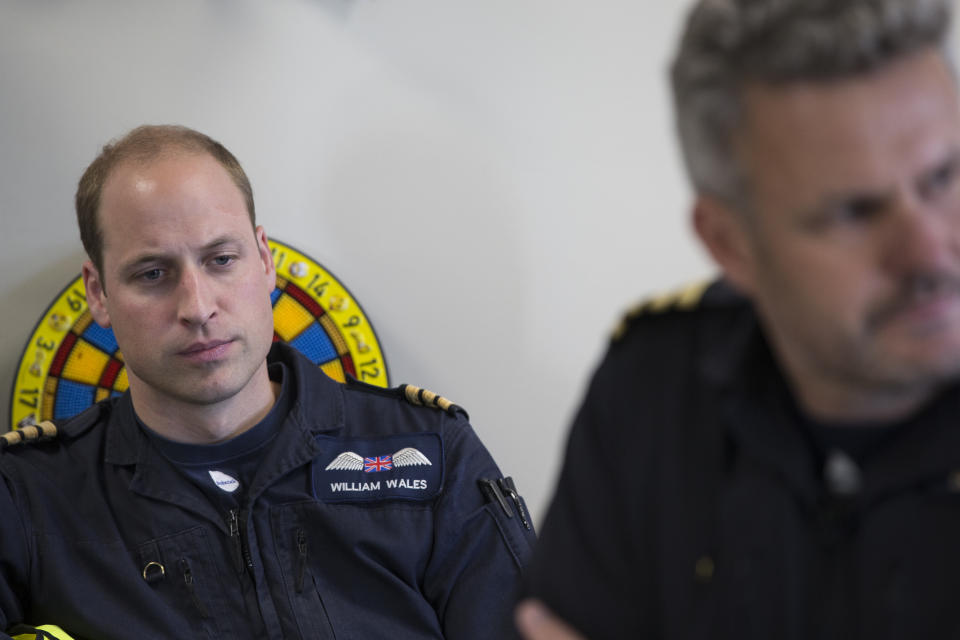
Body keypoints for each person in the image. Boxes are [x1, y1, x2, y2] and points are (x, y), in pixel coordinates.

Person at [518, 0, 960, 637]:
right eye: (854, 213)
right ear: (730, 243)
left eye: (943, 178)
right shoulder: (655, 389)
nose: (929, 252)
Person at [0, 125, 536, 639]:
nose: (198, 306)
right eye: (152, 274)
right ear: (98, 294)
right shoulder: (28, 496)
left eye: (221, 259)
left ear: (263, 260)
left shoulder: (431, 454)